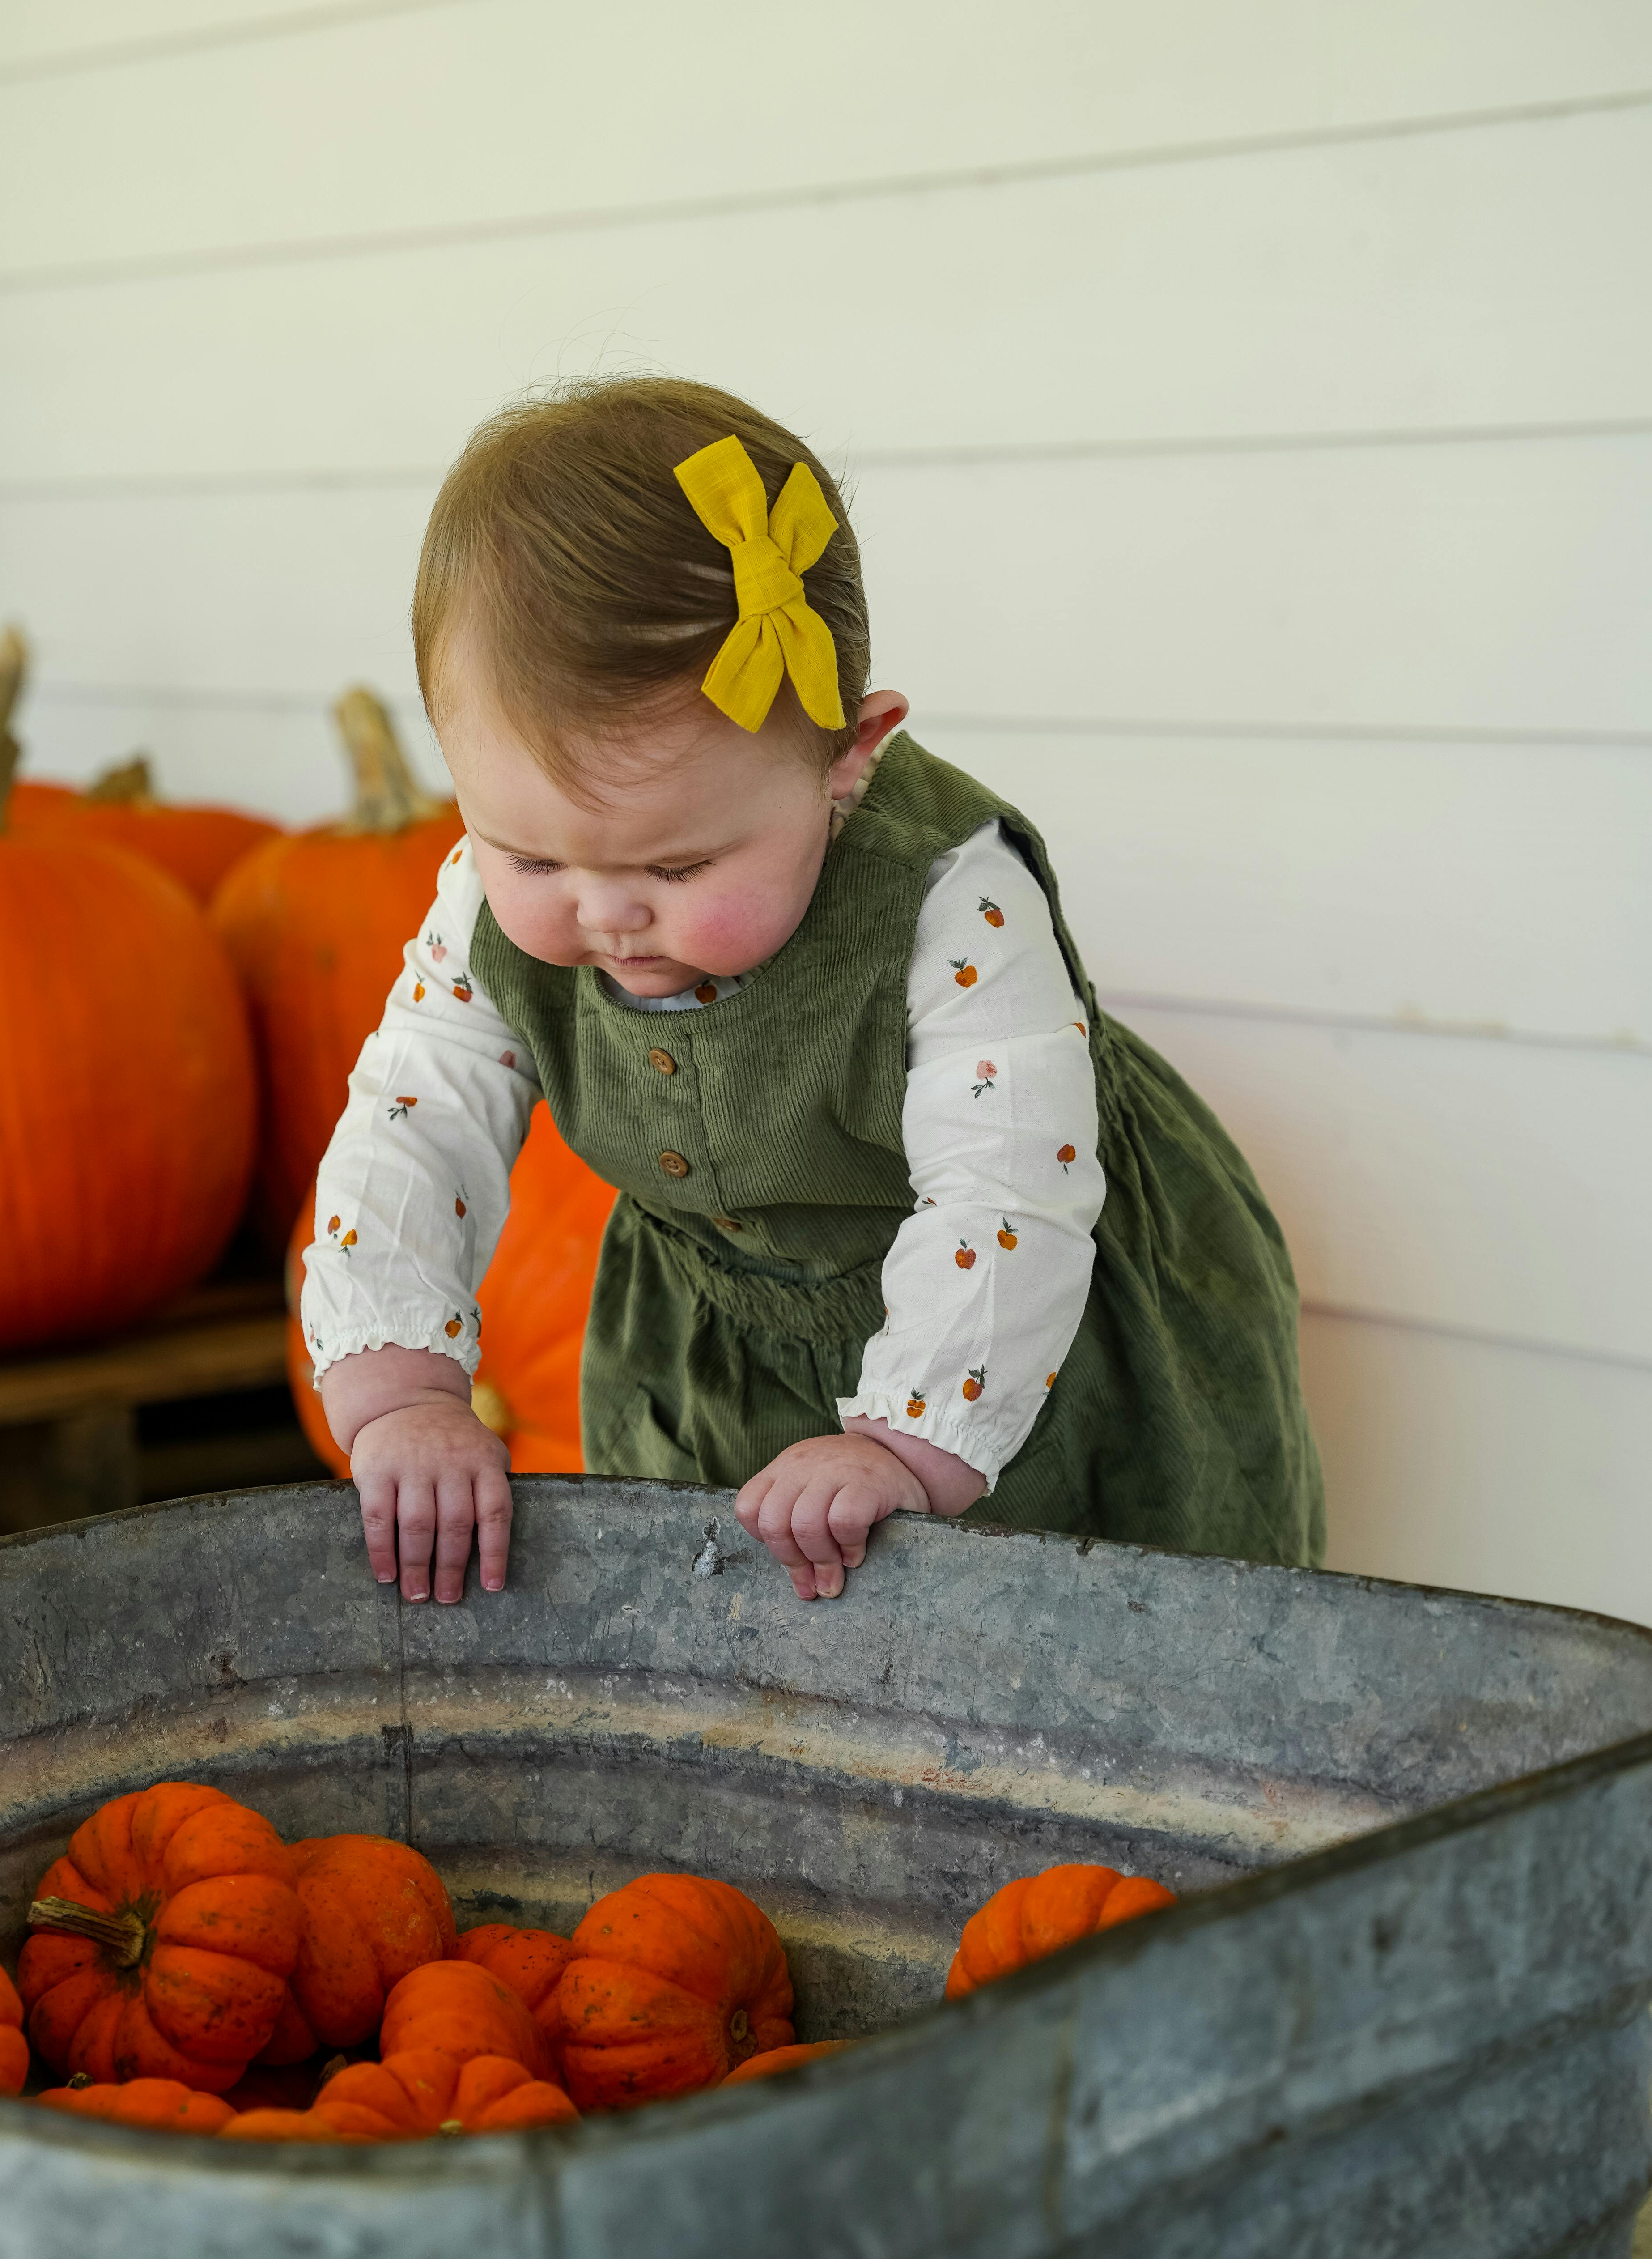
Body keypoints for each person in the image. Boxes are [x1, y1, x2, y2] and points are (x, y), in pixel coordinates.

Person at [306, 374, 1323, 1607]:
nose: (607, 910)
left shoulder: (950, 894)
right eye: (530, 855)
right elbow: (416, 1117)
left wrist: (901, 1441)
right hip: (716, 1342)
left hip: (1025, 1313)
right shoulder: (489, 903)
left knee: (1068, 1649)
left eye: (678, 864)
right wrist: (404, 1390)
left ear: (848, 758)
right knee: (736, 1653)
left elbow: (1002, 1186)